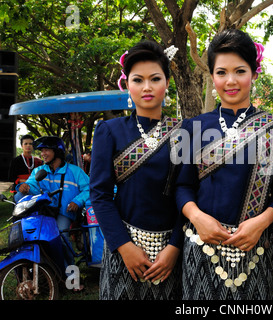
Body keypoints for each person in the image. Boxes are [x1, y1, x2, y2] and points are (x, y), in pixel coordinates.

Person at [175, 29, 273, 300]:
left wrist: (261, 223)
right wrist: (197, 217)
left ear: (254, 73)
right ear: (212, 75)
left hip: (255, 250)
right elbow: (183, 186)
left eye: (240, 71)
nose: (231, 81)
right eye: (221, 72)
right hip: (201, 247)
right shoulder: (193, 127)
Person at [89, 40, 183, 300]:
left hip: (170, 256)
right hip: (123, 250)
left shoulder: (185, 133)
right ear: (127, 84)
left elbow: (188, 193)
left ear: (167, 82)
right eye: (138, 80)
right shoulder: (109, 130)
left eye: (155, 78)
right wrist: (124, 247)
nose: (147, 87)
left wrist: (174, 247)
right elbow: (99, 194)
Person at [17, 136, 90, 285]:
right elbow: (31, 185)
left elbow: (89, 189)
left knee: (61, 237)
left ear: (57, 152)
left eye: (46, 150)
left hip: (65, 212)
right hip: (44, 212)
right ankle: (47, 272)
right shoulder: (39, 170)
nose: (43, 154)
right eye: (42, 151)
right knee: (36, 238)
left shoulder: (75, 171)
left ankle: (73, 278)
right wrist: (24, 187)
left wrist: (77, 200)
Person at [8, 134, 42, 202]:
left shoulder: (38, 161)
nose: (28, 145)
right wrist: (22, 181)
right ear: (22, 146)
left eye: (30, 143)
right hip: (20, 189)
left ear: (33, 146)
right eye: (25, 144)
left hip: (34, 189)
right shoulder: (15, 160)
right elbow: (11, 177)